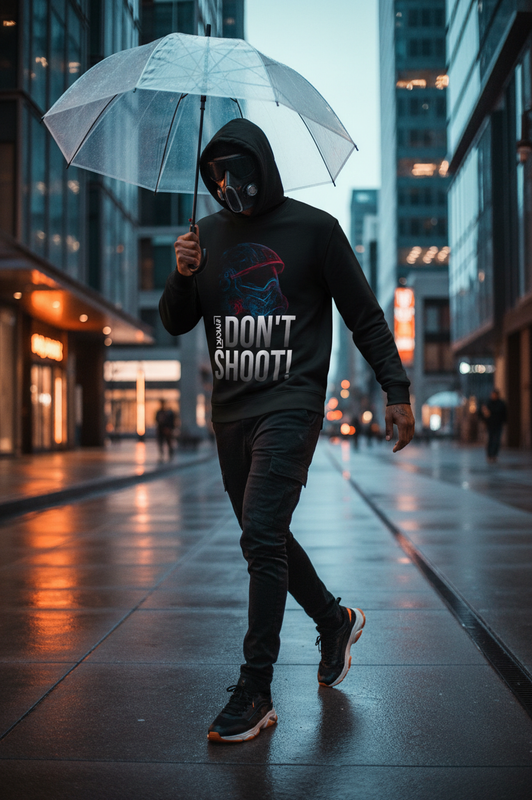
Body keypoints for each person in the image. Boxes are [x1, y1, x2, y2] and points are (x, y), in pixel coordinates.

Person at [159, 119, 415, 743]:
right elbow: (175, 322)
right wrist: (183, 272)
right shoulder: (205, 236)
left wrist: (397, 390)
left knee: (264, 534)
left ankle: (256, 689)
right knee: (261, 537)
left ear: (263, 167)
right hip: (230, 413)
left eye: (237, 169)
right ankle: (332, 620)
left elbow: (364, 315)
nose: (227, 183)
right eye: (216, 174)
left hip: (292, 404)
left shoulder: (315, 230)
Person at [479, 389, 507, 463]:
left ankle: (494, 455)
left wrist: (504, 422)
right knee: (490, 440)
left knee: (497, 440)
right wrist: (484, 420)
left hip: (498, 424)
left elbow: (504, 414)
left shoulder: (501, 403)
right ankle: (489, 455)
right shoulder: (488, 403)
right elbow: (483, 413)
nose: (493, 396)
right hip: (490, 425)